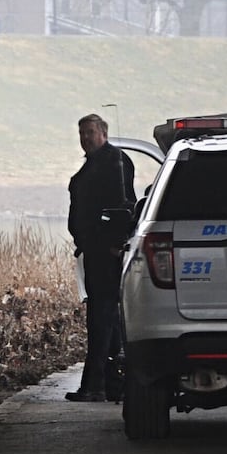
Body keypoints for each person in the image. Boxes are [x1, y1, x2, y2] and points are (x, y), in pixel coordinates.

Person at [67, 113, 137, 402]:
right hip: (93, 250)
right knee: (106, 319)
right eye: (82, 133)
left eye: (90, 132)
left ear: (103, 133)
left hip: (106, 253)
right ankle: (112, 384)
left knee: (102, 317)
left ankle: (95, 384)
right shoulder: (94, 164)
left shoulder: (115, 161)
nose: (85, 138)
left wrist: (115, 243)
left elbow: (124, 206)